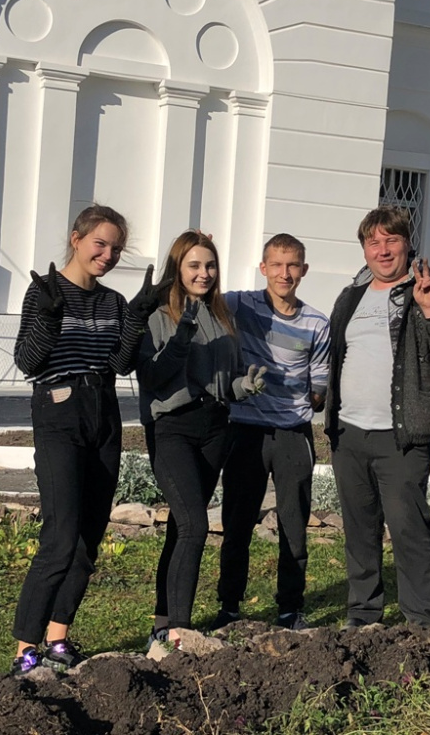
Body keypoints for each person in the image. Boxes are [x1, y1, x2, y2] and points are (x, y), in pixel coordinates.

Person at [11, 204, 165, 674]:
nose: (108, 255)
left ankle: (58, 638)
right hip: (59, 411)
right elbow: (28, 362)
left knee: (88, 537)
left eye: (116, 249)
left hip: (104, 412)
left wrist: (136, 318)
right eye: (101, 244)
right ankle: (26, 649)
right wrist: (49, 319)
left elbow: (120, 364)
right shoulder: (45, 291)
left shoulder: (113, 301)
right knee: (60, 536)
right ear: (76, 239)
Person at [323, 205, 430, 628]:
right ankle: (363, 614)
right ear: (364, 249)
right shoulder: (351, 296)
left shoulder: (428, 290)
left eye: (392, 240)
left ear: (408, 244)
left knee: (408, 528)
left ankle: (422, 620)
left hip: (402, 436)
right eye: (374, 242)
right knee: (359, 528)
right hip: (349, 432)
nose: (383, 250)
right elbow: (336, 354)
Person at [136, 229, 267, 649]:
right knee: (195, 525)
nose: (204, 273)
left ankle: (162, 623)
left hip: (214, 430)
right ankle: (179, 631)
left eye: (210, 265)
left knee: (181, 528)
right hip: (172, 429)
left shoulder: (221, 315)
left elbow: (224, 383)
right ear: (177, 268)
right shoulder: (159, 315)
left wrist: (243, 388)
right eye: (194, 265)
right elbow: (152, 377)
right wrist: (180, 339)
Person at [213, 233, 331, 632]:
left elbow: (319, 386)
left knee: (294, 527)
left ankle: (290, 609)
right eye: (276, 265)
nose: (285, 273)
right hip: (245, 431)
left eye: (293, 265)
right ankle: (229, 607)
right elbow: (202, 293)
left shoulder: (317, 323)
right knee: (237, 525)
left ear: (304, 270)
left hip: (293, 434)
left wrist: (300, 397)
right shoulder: (239, 304)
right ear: (263, 268)